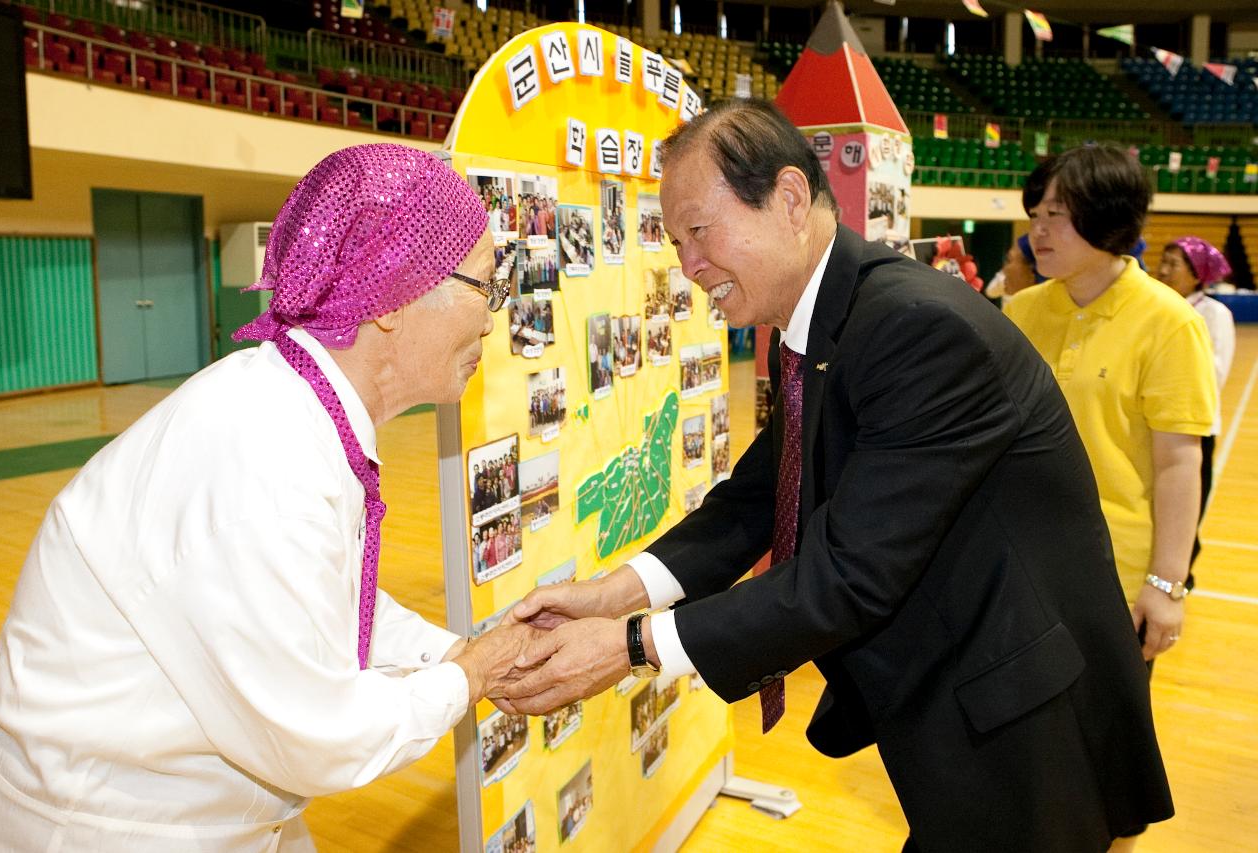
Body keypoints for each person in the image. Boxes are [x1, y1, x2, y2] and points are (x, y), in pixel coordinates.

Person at [498, 101, 1173, 852]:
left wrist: (631, 644)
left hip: (1021, 709)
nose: (687, 266)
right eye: (674, 240)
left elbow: (849, 574)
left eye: (698, 230)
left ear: (789, 199)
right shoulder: (832, 319)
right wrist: (615, 593)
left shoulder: (914, 328)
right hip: (965, 693)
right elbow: (760, 496)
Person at [0, 143, 538, 852]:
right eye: (486, 285)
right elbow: (318, 734)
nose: (493, 316)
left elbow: (321, 603)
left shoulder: (295, 408)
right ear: (395, 294)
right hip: (109, 825)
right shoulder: (264, 459)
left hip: (203, 807)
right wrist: (473, 672)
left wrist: (455, 650)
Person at [1003, 148, 1217, 847]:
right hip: (1021, 568)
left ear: (1109, 220)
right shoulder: (1022, 309)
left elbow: (1180, 464)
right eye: (1035, 214)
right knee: (1027, 733)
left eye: (1057, 216)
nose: (1039, 230)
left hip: (1116, 576)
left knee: (1108, 740)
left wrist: (1167, 583)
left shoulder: (1167, 321)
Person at [1157, 237, 1236, 565]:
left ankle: (1181, 568)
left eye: (1173, 265)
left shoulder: (1214, 314)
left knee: (1187, 502)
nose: (1162, 271)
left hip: (1193, 422)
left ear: (1197, 273)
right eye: (1163, 261)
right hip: (1153, 420)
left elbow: (1216, 372)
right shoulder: (1156, 306)